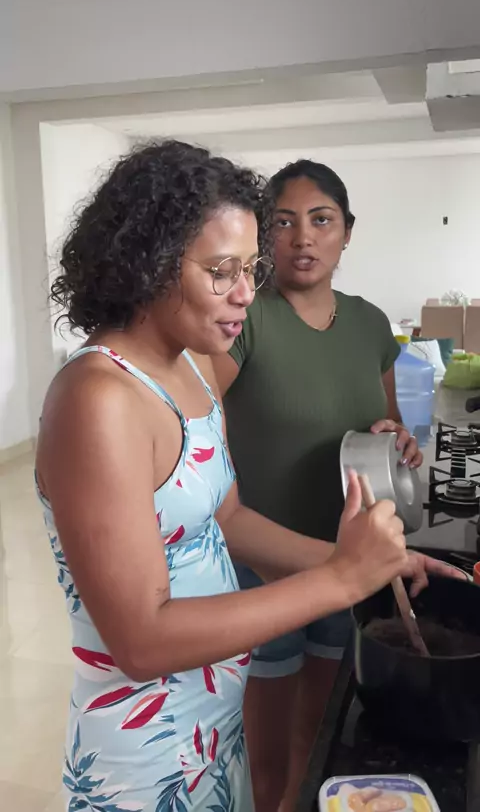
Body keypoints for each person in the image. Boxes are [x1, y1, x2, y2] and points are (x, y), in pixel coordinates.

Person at [36, 142, 452, 812]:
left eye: (250, 269)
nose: (244, 293)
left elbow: (229, 519)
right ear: (148, 264)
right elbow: (140, 640)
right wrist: (339, 581)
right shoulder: (98, 398)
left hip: (213, 723)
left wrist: (368, 564)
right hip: (147, 755)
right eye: (220, 271)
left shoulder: (191, 366)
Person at [211, 159, 455, 812]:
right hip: (264, 565)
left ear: (347, 231)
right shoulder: (245, 320)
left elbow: (390, 428)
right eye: (283, 222)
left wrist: (396, 440)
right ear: (263, 235)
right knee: (265, 758)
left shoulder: (370, 324)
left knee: (317, 734)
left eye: (321, 220)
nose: (303, 238)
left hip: (350, 561)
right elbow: (199, 431)